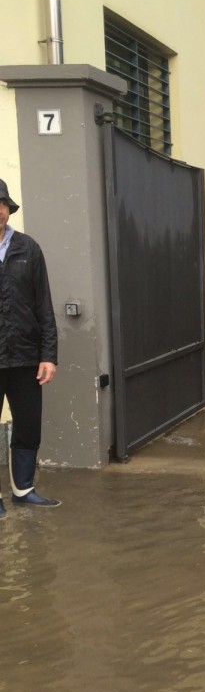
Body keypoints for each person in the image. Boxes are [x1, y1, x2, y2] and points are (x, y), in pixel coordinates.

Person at [0, 178, 60, 515]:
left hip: (25, 358)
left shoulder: (28, 248)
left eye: (2, 204)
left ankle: (23, 490)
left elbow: (43, 306)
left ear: (8, 209)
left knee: (28, 425)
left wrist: (48, 355)